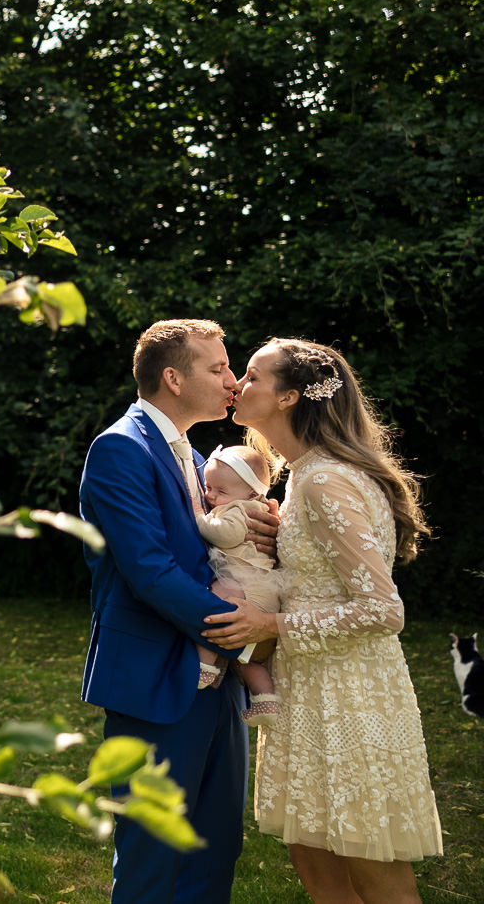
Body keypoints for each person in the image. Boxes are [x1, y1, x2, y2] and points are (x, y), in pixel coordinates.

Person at [204, 339, 443, 904]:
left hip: (352, 696)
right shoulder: (301, 478)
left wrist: (271, 627)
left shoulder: (323, 479)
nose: (239, 383)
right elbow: (316, 572)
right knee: (319, 870)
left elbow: (385, 610)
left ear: (288, 396)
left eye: (254, 376)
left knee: (373, 873)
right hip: (307, 690)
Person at [79, 319, 279, 904]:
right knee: (152, 859)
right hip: (155, 680)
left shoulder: (193, 453)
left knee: (216, 851)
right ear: (172, 377)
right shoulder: (120, 448)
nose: (232, 380)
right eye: (217, 368)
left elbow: (213, 545)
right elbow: (150, 572)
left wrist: (262, 535)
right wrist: (245, 639)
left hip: (220, 690)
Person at [193, 444, 283, 727]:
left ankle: (206, 666)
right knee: (249, 659)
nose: (210, 495)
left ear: (252, 492)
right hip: (265, 590)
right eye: (208, 487)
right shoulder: (251, 504)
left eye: (220, 491)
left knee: (216, 606)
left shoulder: (238, 509)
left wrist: (200, 517)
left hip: (244, 586)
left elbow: (227, 535)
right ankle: (265, 699)